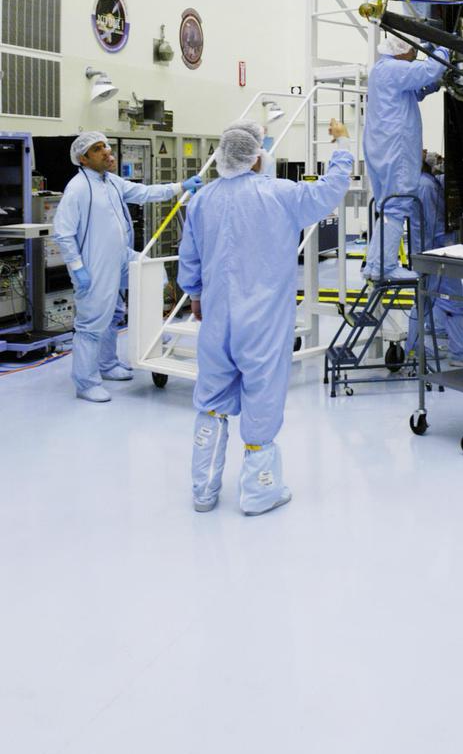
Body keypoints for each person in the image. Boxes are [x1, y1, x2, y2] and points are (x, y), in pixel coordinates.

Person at [177, 118, 353, 515]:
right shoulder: (280, 195)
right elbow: (330, 190)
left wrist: (196, 294)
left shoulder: (203, 198)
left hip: (217, 319)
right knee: (262, 397)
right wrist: (342, 145)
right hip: (263, 321)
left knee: (212, 399)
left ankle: (203, 490)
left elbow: (190, 256)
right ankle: (259, 492)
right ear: (256, 159)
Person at [53, 132, 203, 403]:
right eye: (98, 149)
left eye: (106, 146)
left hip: (121, 257)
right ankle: (85, 382)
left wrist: (181, 186)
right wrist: (77, 268)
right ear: (83, 159)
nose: (107, 152)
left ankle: (109, 364)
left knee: (148, 277)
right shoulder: (78, 188)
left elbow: (144, 193)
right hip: (94, 264)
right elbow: (62, 233)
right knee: (91, 323)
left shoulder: (111, 181)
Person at [362, 35, 449, 282]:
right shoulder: (393, 68)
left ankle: (375, 265)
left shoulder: (382, 69)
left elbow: (417, 90)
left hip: (381, 147)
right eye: (414, 51)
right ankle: (385, 267)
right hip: (396, 149)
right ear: (401, 50)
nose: (415, 55)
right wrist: (444, 47)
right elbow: (429, 69)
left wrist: (433, 84)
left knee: (389, 207)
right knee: (398, 204)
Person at [404, 152, 463, 365]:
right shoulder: (427, 186)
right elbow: (433, 226)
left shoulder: (426, 182)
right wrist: (451, 246)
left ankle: (414, 349)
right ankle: (460, 354)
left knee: (423, 302)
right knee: (454, 302)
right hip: (437, 254)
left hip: (426, 254)